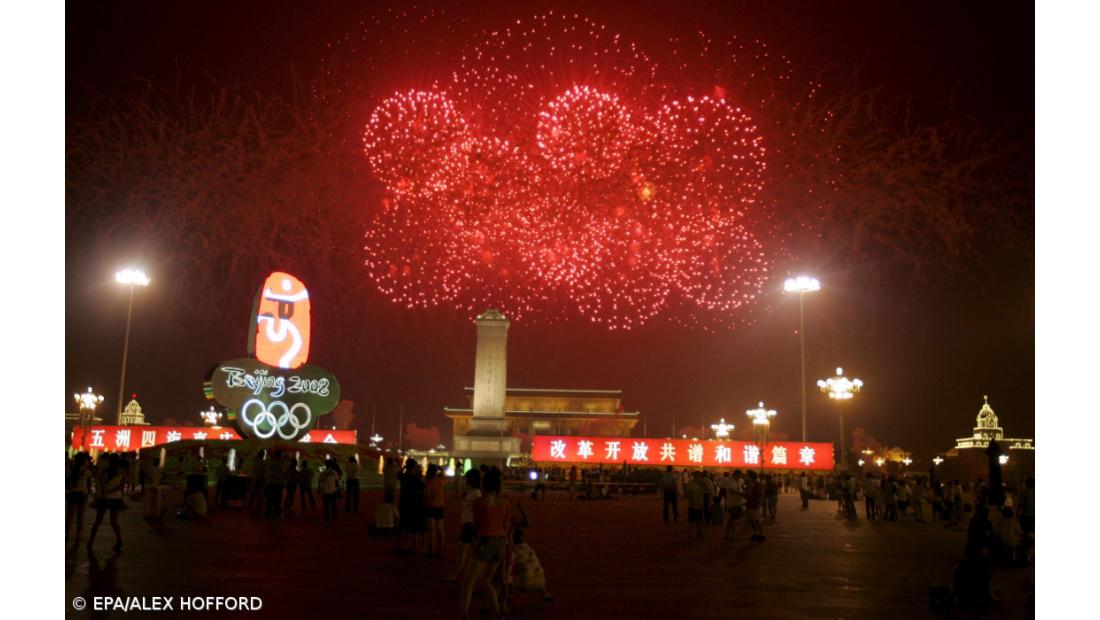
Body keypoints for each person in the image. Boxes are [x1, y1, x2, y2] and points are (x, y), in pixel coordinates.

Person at [460, 468, 511, 619]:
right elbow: (506, 525)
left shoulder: (479, 502)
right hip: (500, 544)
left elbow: (476, 525)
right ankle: (497, 613)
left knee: (469, 582)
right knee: (486, 580)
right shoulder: (506, 502)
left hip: (484, 542)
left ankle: (463, 615)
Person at [447, 469, 482, 582]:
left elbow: (477, 510)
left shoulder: (476, 493)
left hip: (470, 525)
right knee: (472, 553)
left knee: (463, 552)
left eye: (466, 478)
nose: (464, 480)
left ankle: (455, 575)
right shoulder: (473, 492)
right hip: (468, 524)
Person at [87, 454, 126, 551]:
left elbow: (100, 483)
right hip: (116, 498)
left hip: (105, 498)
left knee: (98, 520)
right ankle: (119, 540)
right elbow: (121, 486)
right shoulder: (122, 471)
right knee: (114, 522)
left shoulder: (105, 470)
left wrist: (104, 492)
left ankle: (91, 541)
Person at [507, 527, 552, 605]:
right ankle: (546, 593)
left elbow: (510, 568)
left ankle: (509, 595)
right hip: (541, 582)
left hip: (525, 584)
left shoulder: (514, 552)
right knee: (535, 567)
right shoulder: (528, 547)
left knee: (507, 575)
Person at [397, 459, 426, 554]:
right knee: (413, 527)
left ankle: (402, 546)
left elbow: (398, 474)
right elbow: (422, 488)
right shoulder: (415, 478)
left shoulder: (404, 477)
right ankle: (413, 548)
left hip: (403, 503)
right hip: (414, 504)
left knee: (403, 526)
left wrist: (404, 467)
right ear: (414, 467)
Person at [66, 452, 93, 542]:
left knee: (69, 515)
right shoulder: (87, 471)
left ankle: (66, 533)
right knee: (80, 516)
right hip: (82, 494)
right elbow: (89, 485)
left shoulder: (71, 470)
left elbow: (67, 482)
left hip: (72, 493)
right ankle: (78, 534)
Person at [425, 463, 446, 556]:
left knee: (432, 530)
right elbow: (444, 477)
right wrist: (441, 470)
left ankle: (431, 550)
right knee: (440, 529)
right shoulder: (441, 480)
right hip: (440, 506)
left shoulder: (429, 481)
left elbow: (427, 495)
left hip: (431, 506)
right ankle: (441, 550)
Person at [264, 450, 290, 518]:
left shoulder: (271, 462)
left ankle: (268, 512)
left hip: (271, 482)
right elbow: (285, 471)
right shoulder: (282, 463)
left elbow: (267, 469)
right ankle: (277, 512)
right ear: (280, 455)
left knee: (270, 498)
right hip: (279, 483)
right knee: (278, 499)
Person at [723, 470, 746, 543]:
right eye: (739, 475)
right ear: (735, 474)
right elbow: (732, 491)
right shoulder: (730, 481)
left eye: (740, 475)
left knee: (732, 519)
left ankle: (727, 534)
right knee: (732, 519)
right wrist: (742, 493)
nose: (740, 477)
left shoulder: (738, 481)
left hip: (738, 503)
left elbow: (739, 489)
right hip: (732, 503)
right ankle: (732, 534)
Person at [744, 470, 765, 541]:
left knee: (756, 520)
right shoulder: (753, 484)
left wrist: (744, 495)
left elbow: (754, 496)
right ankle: (757, 533)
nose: (746, 478)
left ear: (751, 477)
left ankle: (760, 534)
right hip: (752, 505)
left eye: (747, 476)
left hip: (754, 505)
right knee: (753, 520)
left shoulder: (756, 485)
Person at [685, 472, 706, 538]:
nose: (697, 477)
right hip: (692, 504)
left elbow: (708, 490)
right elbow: (688, 493)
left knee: (699, 519)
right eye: (696, 476)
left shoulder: (702, 483)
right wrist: (691, 500)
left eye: (698, 476)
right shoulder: (690, 483)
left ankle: (699, 532)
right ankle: (691, 533)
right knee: (691, 520)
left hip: (700, 504)